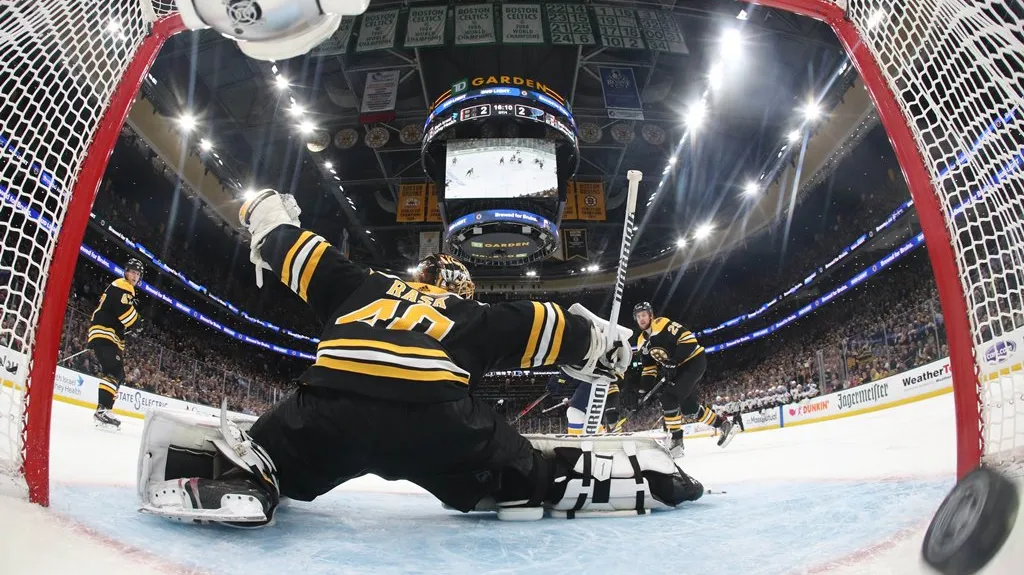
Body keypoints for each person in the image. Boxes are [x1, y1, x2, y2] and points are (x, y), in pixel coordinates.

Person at [136, 190, 704, 527]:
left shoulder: (361, 283)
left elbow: (289, 249)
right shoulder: (473, 316)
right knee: (530, 477)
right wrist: (605, 347)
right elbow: (547, 324)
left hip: (331, 406)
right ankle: (638, 482)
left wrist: (266, 215)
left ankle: (249, 475)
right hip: (437, 420)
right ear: (462, 287)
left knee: (275, 457)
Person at [634, 301, 737, 458]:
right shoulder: (641, 342)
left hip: (693, 361)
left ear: (651, 315)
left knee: (668, 397)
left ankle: (676, 441)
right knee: (689, 408)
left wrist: (674, 361)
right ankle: (723, 424)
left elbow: (688, 340)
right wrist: (643, 391)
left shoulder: (661, 324)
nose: (641, 319)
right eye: (638, 316)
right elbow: (649, 368)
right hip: (678, 370)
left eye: (644, 315)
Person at [86, 258, 144, 429]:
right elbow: (124, 313)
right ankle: (103, 410)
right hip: (106, 333)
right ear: (126, 272)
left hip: (105, 333)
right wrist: (138, 322)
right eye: (132, 272)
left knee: (117, 374)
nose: (134, 276)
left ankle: (104, 410)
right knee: (114, 370)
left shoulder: (120, 287)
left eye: (137, 273)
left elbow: (118, 312)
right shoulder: (124, 286)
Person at [545, 370, 624, 435]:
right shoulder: (605, 382)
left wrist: (558, 381)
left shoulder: (604, 382)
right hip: (580, 413)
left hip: (586, 416)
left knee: (596, 443)